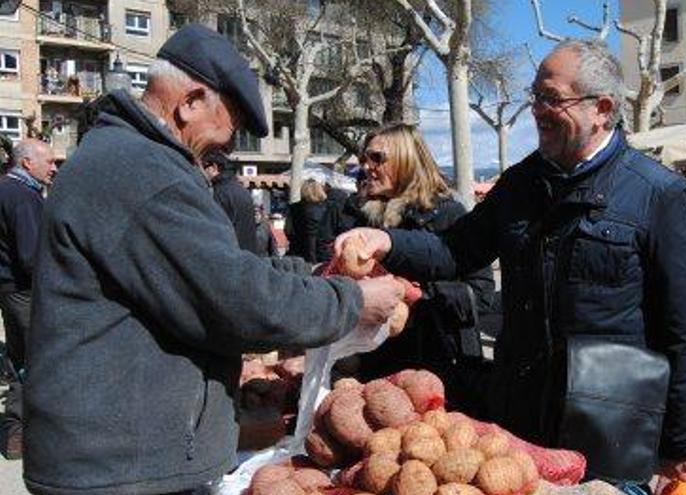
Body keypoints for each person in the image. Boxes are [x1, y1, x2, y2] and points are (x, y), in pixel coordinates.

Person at [23, 24, 404, 495]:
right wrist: (351, 301)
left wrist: (318, 274)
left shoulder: (129, 159)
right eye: (228, 130)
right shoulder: (142, 172)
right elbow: (237, 301)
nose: (226, 149)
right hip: (116, 470)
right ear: (190, 101)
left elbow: (217, 267)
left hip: (117, 459)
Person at [334, 39, 686, 494]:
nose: (537, 110)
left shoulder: (659, 195)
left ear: (602, 108)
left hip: (609, 427)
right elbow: (456, 250)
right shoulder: (519, 184)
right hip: (519, 422)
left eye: (552, 98)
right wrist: (386, 241)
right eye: (535, 97)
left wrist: (682, 441)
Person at [352, 123, 495, 417]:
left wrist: (416, 294)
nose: (367, 167)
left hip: (438, 369)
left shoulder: (449, 215)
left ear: (406, 160)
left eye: (377, 157)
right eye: (364, 158)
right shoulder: (365, 218)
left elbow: (481, 295)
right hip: (377, 369)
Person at [0, 139, 55, 460]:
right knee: (37, 361)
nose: (53, 167)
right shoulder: (22, 197)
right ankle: (25, 432)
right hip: (26, 291)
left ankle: (16, 434)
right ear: (26, 163)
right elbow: (32, 256)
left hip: (10, 290)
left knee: (21, 361)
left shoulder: (8, 189)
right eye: (48, 161)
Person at [202, 151, 259, 253]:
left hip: (231, 256)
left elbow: (215, 231)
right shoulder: (240, 189)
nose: (201, 171)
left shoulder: (220, 192)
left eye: (203, 167)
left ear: (214, 168)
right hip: (248, 254)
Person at [286, 178, 331, 263]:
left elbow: (288, 230)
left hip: (298, 253)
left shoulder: (294, 208)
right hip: (323, 254)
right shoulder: (329, 208)